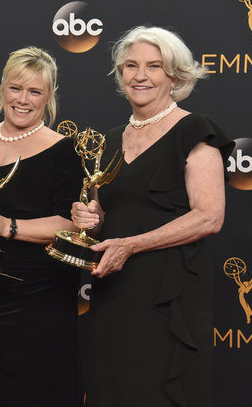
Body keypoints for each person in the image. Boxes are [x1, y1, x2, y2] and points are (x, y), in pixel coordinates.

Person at [70, 26, 234, 407]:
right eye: (131, 66)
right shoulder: (109, 140)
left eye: (153, 66)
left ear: (174, 75)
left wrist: (132, 245)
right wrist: (89, 217)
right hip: (114, 288)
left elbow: (210, 216)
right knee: (114, 387)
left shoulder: (195, 130)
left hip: (171, 290)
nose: (140, 75)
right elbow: (106, 212)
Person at [0, 46, 84, 406]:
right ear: (2, 89)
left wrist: (8, 226)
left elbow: (69, 224)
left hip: (39, 303)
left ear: (49, 97)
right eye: (15, 88)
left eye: (35, 91)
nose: (23, 100)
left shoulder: (64, 151)